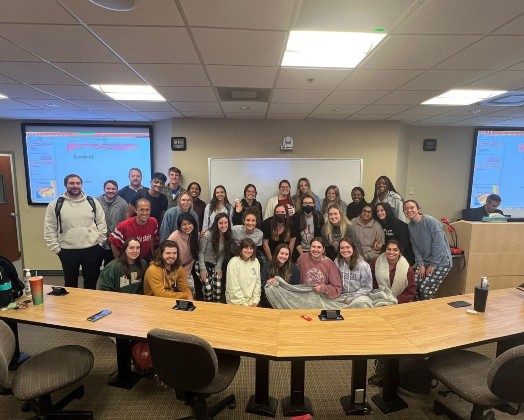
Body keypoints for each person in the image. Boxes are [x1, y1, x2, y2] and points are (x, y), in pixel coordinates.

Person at [43, 174, 106, 289]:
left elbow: (102, 223)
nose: (75, 186)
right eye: (71, 183)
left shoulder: (92, 202)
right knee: (70, 283)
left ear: (81, 185)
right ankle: (71, 306)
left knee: (91, 282)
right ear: (65, 185)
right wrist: (57, 249)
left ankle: (89, 306)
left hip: (92, 249)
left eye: (78, 183)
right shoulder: (55, 205)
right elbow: (49, 229)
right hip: (67, 251)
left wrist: (100, 243)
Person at [404, 200, 452, 300]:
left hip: (441, 262)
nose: (409, 210)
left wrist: (433, 264)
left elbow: (439, 244)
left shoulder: (430, 221)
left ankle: (428, 313)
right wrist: (421, 265)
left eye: (412, 207)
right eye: (406, 209)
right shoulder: (410, 226)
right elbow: (415, 246)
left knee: (426, 290)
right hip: (424, 262)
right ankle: (417, 312)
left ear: (418, 209)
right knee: (413, 287)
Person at [110, 198, 158, 263]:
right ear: (135, 210)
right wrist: (120, 262)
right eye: (141, 210)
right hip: (129, 260)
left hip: (145, 258)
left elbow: (151, 238)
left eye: (147, 210)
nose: (144, 213)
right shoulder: (123, 226)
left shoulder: (154, 222)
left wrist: (152, 255)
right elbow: (113, 242)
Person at [198, 213, 232, 302]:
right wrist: (203, 270)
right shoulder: (208, 234)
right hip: (203, 264)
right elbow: (200, 253)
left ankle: (216, 309)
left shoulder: (227, 236)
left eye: (226, 223)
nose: (223, 225)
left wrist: (218, 267)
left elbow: (223, 253)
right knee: (208, 289)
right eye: (220, 223)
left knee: (217, 290)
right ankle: (207, 308)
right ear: (216, 224)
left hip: (215, 265)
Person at [371, 239, 416, 304]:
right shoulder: (375, 263)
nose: (391, 252)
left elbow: (411, 291)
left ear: (400, 252)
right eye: (388, 249)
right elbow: (373, 283)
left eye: (395, 250)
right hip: (378, 299)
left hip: (399, 302)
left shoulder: (408, 269)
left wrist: (394, 301)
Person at [96, 179, 128, 266]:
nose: (111, 191)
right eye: (108, 188)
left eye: (113, 189)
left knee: (110, 267)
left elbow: (125, 223)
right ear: (104, 189)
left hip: (113, 244)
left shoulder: (123, 203)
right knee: (93, 268)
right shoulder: (96, 201)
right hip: (98, 242)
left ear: (117, 190)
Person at [167, 213, 199, 296]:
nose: (187, 227)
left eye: (189, 223)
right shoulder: (174, 237)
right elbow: (167, 257)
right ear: (179, 226)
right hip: (173, 270)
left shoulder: (196, 234)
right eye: (184, 224)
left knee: (191, 294)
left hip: (188, 269)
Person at [374, 202, 415, 266]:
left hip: (404, 257)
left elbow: (404, 244)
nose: (379, 213)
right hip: (390, 255)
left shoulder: (398, 225)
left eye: (382, 210)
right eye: (377, 211)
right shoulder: (380, 224)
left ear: (388, 210)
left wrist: (382, 246)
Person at [333, 237, 372, 305]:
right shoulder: (337, 262)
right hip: (341, 296)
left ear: (353, 248)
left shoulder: (363, 265)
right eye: (342, 248)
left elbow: (367, 287)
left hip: (359, 296)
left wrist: (352, 297)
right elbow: (334, 281)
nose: (345, 250)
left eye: (348, 247)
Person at [225, 238, 261, 306]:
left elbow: (257, 283)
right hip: (236, 302)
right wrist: (244, 304)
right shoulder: (234, 262)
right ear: (241, 248)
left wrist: (255, 300)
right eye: (246, 248)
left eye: (251, 248)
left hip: (252, 303)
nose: (249, 251)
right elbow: (233, 286)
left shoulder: (256, 261)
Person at [291, 193, 324, 262]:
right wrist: (302, 255)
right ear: (302, 205)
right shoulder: (296, 216)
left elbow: (320, 235)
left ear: (314, 204)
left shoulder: (319, 216)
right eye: (305, 203)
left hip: (315, 249)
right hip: (299, 250)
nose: (308, 205)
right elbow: (295, 238)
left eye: (310, 203)